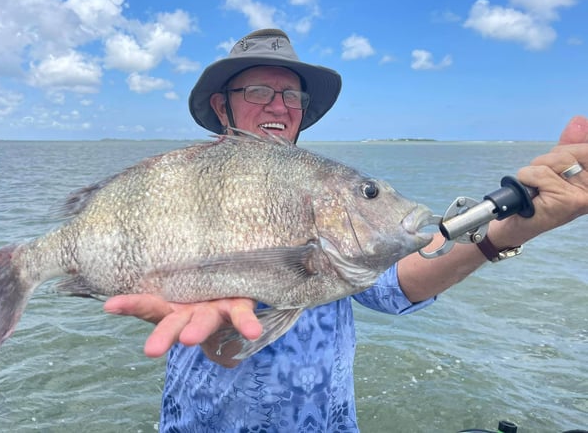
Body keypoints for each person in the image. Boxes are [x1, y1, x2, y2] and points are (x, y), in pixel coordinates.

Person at [103, 29, 588, 431]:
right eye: (257, 92)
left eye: (291, 94)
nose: (279, 106)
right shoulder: (181, 187)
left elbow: (397, 282)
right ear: (221, 104)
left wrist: (507, 229)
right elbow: (224, 347)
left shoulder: (332, 191)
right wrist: (216, 333)